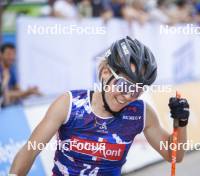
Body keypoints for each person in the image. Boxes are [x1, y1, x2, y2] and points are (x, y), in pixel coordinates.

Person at [9, 36, 190, 176]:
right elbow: (31, 150)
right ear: (105, 73)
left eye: (137, 90)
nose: (127, 96)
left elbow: (174, 155)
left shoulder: (140, 113)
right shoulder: (69, 104)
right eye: (124, 85)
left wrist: (181, 123)